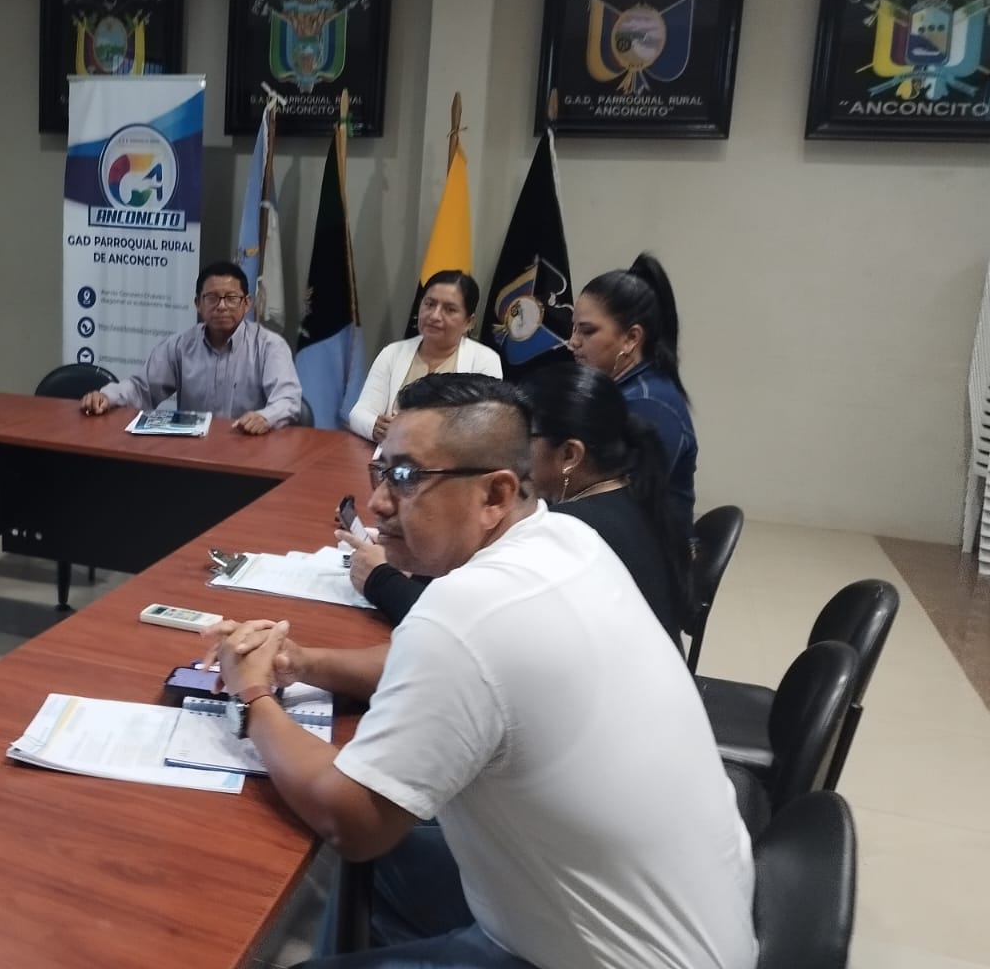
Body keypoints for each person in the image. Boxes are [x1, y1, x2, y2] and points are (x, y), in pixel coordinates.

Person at [208, 374, 755, 969]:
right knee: (389, 864)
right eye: (380, 470)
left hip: (621, 959)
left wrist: (254, 694)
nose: (379, 502)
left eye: (407, 477)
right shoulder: (566, 536)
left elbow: (352, 820)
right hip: (692, 927)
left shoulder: (465, 613)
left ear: (494, 494)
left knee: (358, 859)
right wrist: (302, 662)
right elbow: (442, 668)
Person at [346, 367, 690, 642]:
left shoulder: (571, 532)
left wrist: (379, 578)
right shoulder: (629, 498)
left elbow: (461, 631)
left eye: (523, 438)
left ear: (569, 455)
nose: (510, 452)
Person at [78, 261, 303, 434]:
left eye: (231, 298)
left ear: (247, 303)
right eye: (212, 298)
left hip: (249, 446)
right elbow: (142, 388)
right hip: (193, 450)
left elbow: (288, 399)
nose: (221, 306)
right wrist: (106, 396)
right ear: (198, 304)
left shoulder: (269, 346)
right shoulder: (180, 345)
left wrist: (265, 417)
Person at [569, 252, 697, 534]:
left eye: (587, 331)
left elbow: (623, 507)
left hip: (651, 548)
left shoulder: (649, 405)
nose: (572, 342)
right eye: (574, 328)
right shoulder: (621, 390)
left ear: (631, 338)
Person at [348, 270, 501, 443]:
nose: (434, 316)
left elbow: (485, 427)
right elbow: (359, 413)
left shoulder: (484, 361)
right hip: (391, 452)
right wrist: (374, 426)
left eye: (449, 309)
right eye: (429, 304)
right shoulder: (393, 353)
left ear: (469, 322)